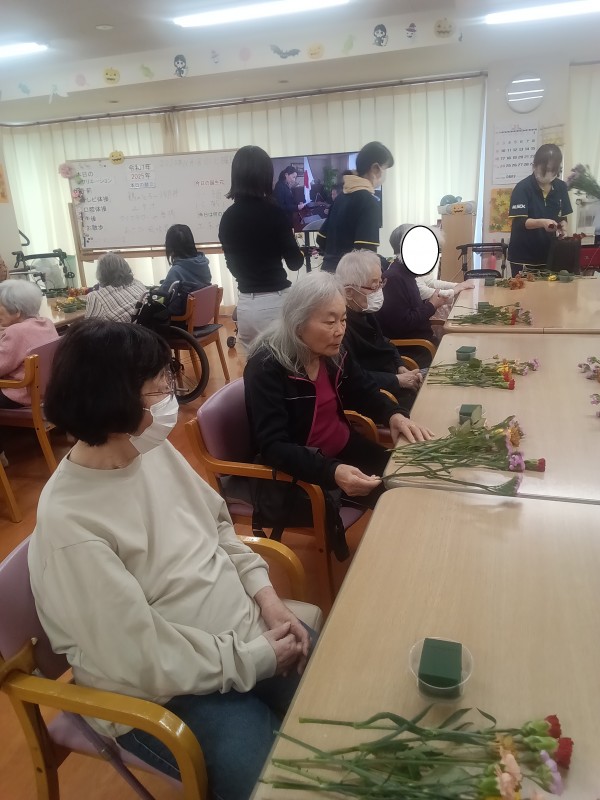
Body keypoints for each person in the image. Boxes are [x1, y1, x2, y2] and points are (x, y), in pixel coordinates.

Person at [27, 319, 316, 800]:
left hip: (242, 639)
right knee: (285, 784)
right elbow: (136, 656)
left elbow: (217, 526)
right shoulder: (70, 524)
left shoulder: (146, 449)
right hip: (163, 691)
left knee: (343, 701)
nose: (170, 396)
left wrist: (267, 599)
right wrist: (252, 659)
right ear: (114, 401)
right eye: (160, 386)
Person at [244, 271, 433, 541]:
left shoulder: (333, 352)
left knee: (414, 477)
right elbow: (274, 446)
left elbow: (363, 389)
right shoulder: (266, 367)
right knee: (399, 500)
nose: (340, 330)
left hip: (344, 448)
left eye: (343, 319)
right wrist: (331, 471)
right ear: (298, 323)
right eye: (330, 321)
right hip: (306, 470)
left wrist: (393, 415)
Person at [219, 145, 304, 350]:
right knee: (285, 365)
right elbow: (295, 262)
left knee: (254, 367)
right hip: (276, 304)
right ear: (266, 176)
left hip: (245, 306)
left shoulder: (227, 218)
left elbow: (232, 266)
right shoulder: (275, 213)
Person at [336, 250, 422, 415]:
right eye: (374, 286)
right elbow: (354, 377)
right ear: (349, 292)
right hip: (374, 397)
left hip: (391, 382)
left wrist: (400, 366)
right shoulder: (342, 328)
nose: (379, 291)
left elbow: (385, 343)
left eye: (380, 283)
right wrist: (396, 380)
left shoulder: (364, 312)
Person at [0, 279, 59, 467]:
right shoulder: (45, 323)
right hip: (47, 390)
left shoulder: (15, 332)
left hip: (21, 394)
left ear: (17, 311)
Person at [376, 224, 451, 368]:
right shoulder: (394, 278)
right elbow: (402, 324)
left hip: (425, 343)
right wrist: (431, 306)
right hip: (414, 350)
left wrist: (431, 305)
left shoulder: (407, 275)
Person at [317, 141, 393, 272]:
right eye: (385, 168)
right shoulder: (369, 202)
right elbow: (366, 254)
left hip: (327, 275)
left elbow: (321, 239)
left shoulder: (340, 198)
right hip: (349, 277)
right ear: (375, 168)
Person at [507, 144, 573, 277]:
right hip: (523, 254)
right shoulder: (522, 187)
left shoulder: (561, 187)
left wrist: (563, 227)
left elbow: (562, 216)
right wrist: (543, 223)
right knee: (523, 289)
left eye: (552, 170)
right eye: (545, 169)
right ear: (534, 165)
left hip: (549, 253)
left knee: (549, 288)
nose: (548, 174)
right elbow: (520, 222)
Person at [158, 223, 212, 315]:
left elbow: (162, 296)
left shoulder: (176, 270)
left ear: (171, 247)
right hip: (202, 313)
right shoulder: (203, 263)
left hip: (185, 317)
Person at [85, 252, 147, 322]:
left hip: (123, 328)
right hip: (144, 326)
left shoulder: (96, 297)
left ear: (101, 272)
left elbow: (89, 326)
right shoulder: (137, 283)